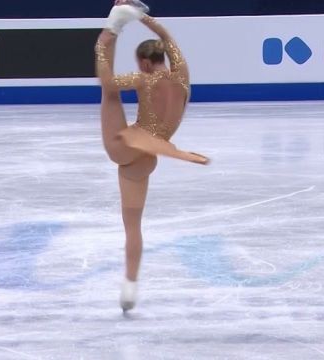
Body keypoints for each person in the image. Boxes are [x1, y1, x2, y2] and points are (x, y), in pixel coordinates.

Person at [94, 1, 209, 312]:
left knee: (108, 91)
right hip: (147, 159)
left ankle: (114, 20)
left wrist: (109, 35)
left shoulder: (144, 79)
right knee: (134, 226)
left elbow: (106, 79)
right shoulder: (182, 77)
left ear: (144, 62)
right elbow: (168, 37)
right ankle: (130, 286)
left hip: (127, 146)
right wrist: (143, 18)